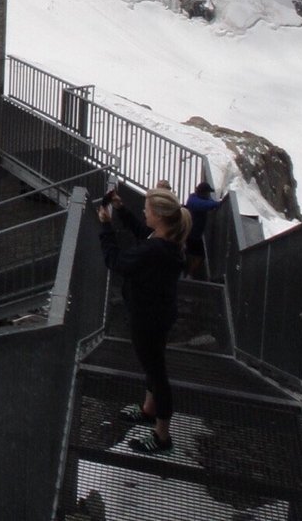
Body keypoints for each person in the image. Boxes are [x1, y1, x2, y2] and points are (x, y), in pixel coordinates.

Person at [98, 187, 190, 453]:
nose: (144, 212)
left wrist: (106, 227)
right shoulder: (166, 239)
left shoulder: (155, 250)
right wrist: (122, 210)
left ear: (159, 216)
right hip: (158, 313)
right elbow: (143, 234)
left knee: (157, 373)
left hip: (148, 318)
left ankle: (162, 437)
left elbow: (116, 261)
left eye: (147, 209)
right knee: (153, 365)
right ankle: (149, 410)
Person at [184, 182, 222, 279]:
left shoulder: (194, 197)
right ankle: (189, 274)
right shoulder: (194, 202)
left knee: (191, 253)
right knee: (199, 255)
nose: (209, 195)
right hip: (192, 234)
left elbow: (209, 202)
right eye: (208, 193)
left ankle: (187, 272)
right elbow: (208, 205)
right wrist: (217, 203)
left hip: (193, 233)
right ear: (203, 193)